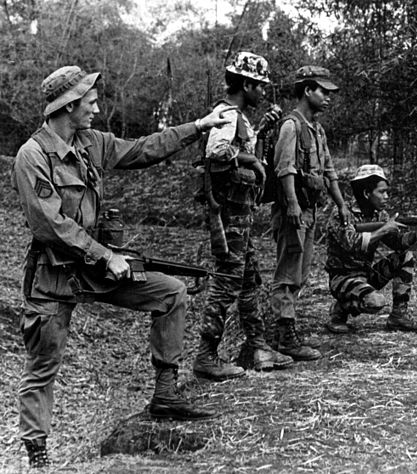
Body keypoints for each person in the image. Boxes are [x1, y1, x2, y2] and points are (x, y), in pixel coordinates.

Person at [11, 65, 233, 468]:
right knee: (43, 367)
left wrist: (199, 126)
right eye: (90, 102)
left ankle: (166, 395)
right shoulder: (32, 156)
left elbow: (143, 148)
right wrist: (106, 255)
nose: (96, 108)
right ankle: (37, 456)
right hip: (54, 276)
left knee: (170, 293)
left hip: (96, 265)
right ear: (70, 105)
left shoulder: (90, 142)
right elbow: (49, 225)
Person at [193, 52, 293, 381]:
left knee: (249, 279)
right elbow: (217, 153)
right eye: (260, 86)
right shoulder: (227, 114)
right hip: (230, 214)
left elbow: (248, 157)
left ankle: (256, 347)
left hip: (242, 214)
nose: (263, 93)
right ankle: (206, 355)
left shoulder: (240, 118)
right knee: (226, 281)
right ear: (246, 84)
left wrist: (261, 135)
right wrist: (249, 158)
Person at [270, 66, 351, 361]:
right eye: (323, 91)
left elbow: (328, 172)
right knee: (288, 272)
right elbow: (285, 169)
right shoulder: (291, 126)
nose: (328, 97)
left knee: (300, 273)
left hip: (309, 211)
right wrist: (291, 205)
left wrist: (341, 204)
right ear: (307, 90)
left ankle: (284, 330)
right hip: (294, 211)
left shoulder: (317, 129)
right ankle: (284, 335)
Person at [325, 165, 417, 334]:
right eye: (381, 192)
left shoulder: (380, 215)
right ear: (367, 193)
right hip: (342, 279)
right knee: (376, 302)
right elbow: (352, 242)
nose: (386, 197)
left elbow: (399, 243)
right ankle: (340, 311)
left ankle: (399, 316)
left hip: (366, 275)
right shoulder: (342, 214)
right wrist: (384, 229)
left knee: (405, 257)